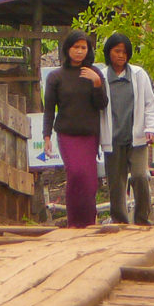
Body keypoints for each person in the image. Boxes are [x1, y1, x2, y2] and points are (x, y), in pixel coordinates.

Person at [42, 30, 108, 228]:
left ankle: (89, 222)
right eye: (76, 47)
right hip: (67, 134)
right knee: (76, 174)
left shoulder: (94, 74)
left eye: (83, 48)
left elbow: (102, 104)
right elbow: (49, 109)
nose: (79, 51)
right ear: (67, 49)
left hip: (89, 134)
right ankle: (74, 222)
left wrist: (96, 84)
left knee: (89, 180)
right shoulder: (56, 77)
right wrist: (46, 136)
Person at [97, 33, 154, 225]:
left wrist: (151, 128)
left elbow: (150, 103)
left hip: (137, 137)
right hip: (112, 138)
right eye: (117, 51)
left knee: (140, 176)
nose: (121, 56)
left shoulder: (138, 75)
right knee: (116, 183)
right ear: (109, 52)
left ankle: (142, 218)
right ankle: (120, 220)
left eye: (124, 52)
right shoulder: (101, 77)